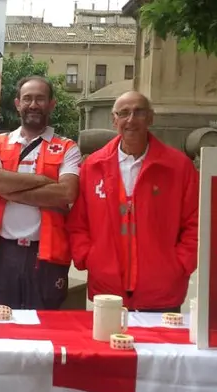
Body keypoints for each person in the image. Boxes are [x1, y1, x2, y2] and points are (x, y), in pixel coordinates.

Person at [66, 90, 199, 312]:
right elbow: (78, 223)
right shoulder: (93, 166)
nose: (131, 119)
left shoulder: (178, 167)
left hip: (162, 290)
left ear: (150, 118)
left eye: (139, 112)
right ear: (114, 119)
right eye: (124, 113)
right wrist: (90, 258)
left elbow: (196, 222)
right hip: (107, 292)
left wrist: (179, 265)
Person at [0, 75, 81, 310]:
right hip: (1, 252)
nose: (33, 104)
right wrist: (42, 182)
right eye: (27, 99)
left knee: (44, 324)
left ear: (51, 104)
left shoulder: (67, 147)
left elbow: (66, 193)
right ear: (17, 104)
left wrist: (8, 191)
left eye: (40, 99)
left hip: (46, 254)